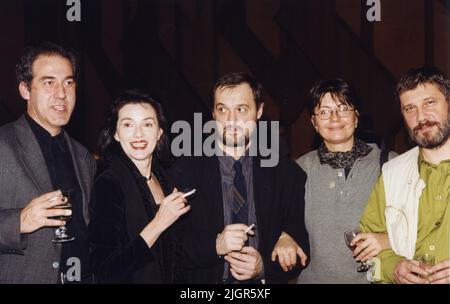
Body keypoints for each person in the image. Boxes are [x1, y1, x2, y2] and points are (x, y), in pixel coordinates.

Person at [169, 72, 309, 284]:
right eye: (222, 109)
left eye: (241, 109)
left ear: (259, 111)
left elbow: (301, 248)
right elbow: (169, 249)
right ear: (213, 114)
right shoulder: (183, 172)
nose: (232, 120)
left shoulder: (287, 174)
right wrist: (215, 246)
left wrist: (265, 267)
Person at [279, 78, 394, 283]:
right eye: (323, 112)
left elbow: (421, 225)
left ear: (356, 117)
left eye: (343, 109)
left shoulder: (391, 164)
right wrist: (283, 236)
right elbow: (277, 216)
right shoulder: (299, 169)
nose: (334, 118)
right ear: (314, 122)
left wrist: (390, 240)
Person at [0, 42, 95, 283]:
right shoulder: (3, 144)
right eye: (49, 82)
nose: (62, 93)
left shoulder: (84, 157)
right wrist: (19, 222)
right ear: (25, 89)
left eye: (69, 82)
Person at [360, 66, 450, 284]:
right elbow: (366, 260)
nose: (421, 117)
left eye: (429, 103)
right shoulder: (392, 174)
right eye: (410, 108)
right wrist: (393, 269)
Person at [90, 90, 190, 283]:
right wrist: (158, 223)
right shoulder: (108, 184)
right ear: (116, 134)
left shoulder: (166, 181)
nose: (138, 134)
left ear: (159, 132)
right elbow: (106, 270)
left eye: (147, 124)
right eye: (128, 124)